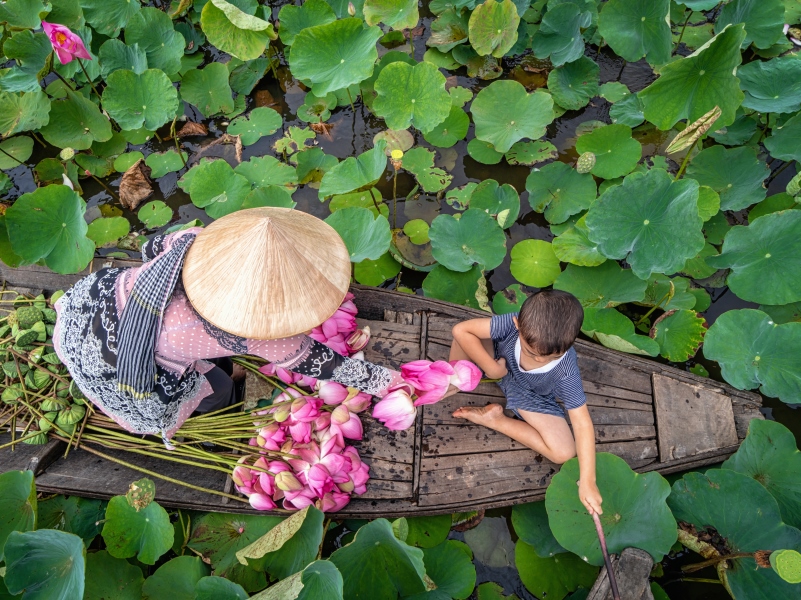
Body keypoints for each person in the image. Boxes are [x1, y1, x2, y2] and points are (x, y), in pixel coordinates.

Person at [53, 208, 408, 447]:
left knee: (203, 355)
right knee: (219, 387)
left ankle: (206, 365)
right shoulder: (260, 338)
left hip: (94, 297)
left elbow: (149, 247)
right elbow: (326, 365)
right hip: (119, 358)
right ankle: (214, 416)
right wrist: (387, 381)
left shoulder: (193, 239)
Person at [449, 290, 603, 516]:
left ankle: (495, 419)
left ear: (568, 345)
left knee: (563, 452)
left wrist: (588, 479)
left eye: (550, 356)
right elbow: (460, 329)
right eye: (532, 352)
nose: (539, 359)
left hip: (530, 394)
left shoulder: (566, 371)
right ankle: (453, 378)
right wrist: (492, 368)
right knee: (465, 338)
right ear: (517, 324)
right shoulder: (510, 325)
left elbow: (582, 422)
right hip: (498, 362)